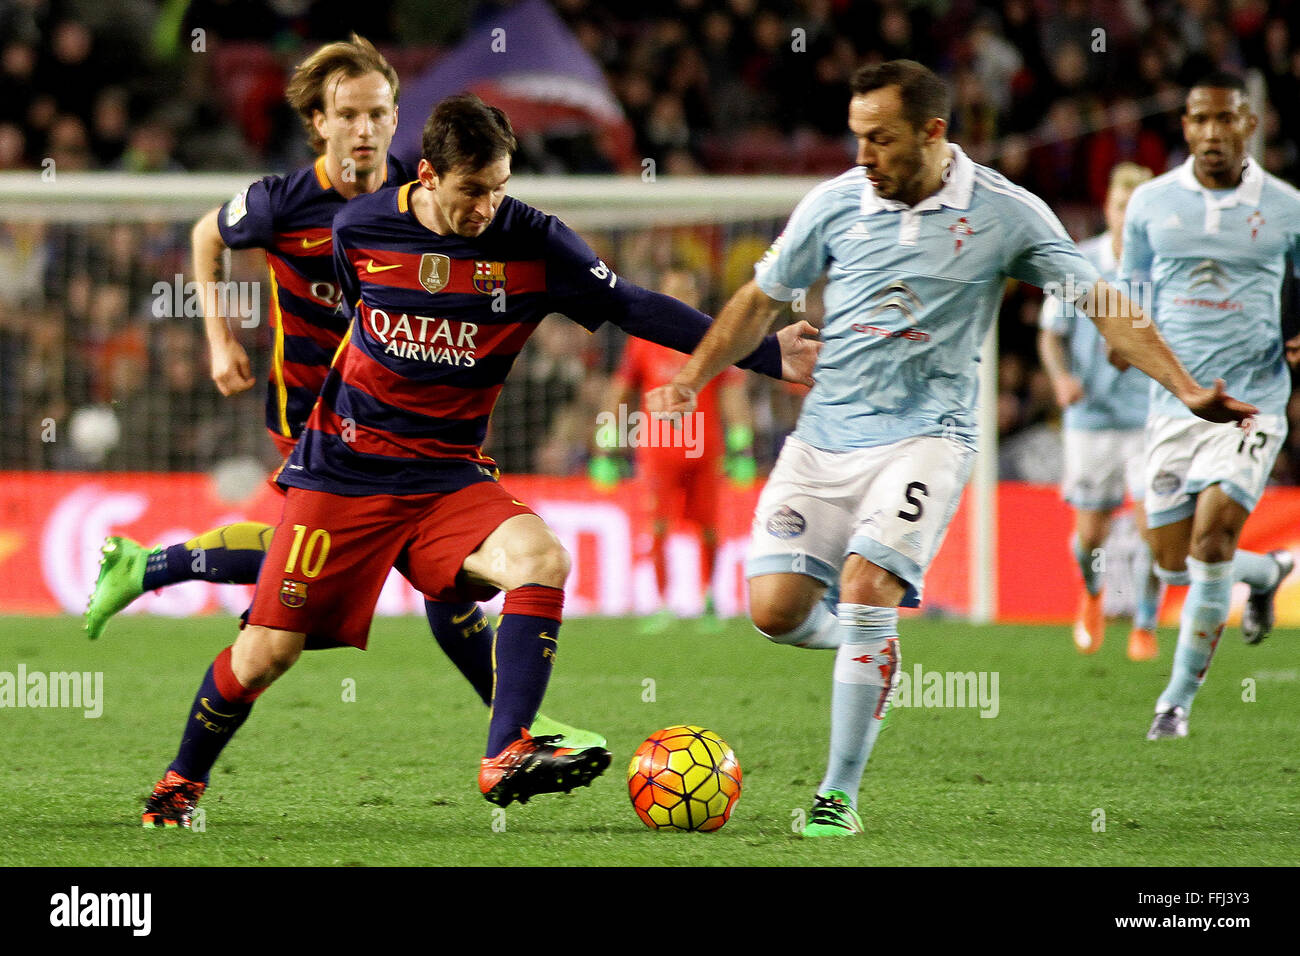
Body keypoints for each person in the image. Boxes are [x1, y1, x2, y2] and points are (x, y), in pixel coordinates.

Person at [139, 92, 820, 827]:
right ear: (427, 175)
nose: (487, 207)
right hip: (343, 472)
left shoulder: (535, 242)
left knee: (543, 560)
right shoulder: (360, 225)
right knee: (266, 654)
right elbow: (353, 315)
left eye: (499, 187)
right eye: (471, 191)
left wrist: (762, 352)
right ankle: (179, 785)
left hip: (446, 475)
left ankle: (507, 751)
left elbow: (635, 306)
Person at [647, 59, 1252, 837]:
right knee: (773, 611)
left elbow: (1104, 304)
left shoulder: (1007, 213)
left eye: (881, 139)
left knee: (867, 590)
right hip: (825, 438)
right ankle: (873, 655)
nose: (863, 155)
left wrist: (1187, 385)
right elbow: (758, 300)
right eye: (858, 137)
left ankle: (837, 795)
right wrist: (692, 379)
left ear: (934, 133)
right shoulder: (835, 204)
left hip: (928, 439)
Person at [84, 34, 602, 756]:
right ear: (319, 124)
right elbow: (207, 233)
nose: (365, 129)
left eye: (379, 113)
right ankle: (517, 729)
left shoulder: (421, 198)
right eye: (349, 114)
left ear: (398, 121)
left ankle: (515, 730)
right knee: (371, 569)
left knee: (407, 571)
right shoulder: (282, 201)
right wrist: (218, 337)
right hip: (315, 421)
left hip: (402, 418)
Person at [1119, 72, 1300, 741]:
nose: (1212, 133)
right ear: (1186, 126)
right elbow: (1126, 287)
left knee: (1213, 537)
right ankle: (1268, 573)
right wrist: (1116, 336)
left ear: (1248, 125)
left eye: (1226, 120)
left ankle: (1175, 703)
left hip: (1254, 399)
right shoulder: (1150, 203)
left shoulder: (1286, 206)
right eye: (1199, 120)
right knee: (1174, 562)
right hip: (1174, 405)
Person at [1038, 162, 1163, 661]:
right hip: (1090, 419)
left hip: (1149, 420)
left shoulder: (1161, 271)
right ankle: (1092, 593)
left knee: (1157, 526)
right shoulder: (1079, 266)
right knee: (1091, 535)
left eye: (1136, 209)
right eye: (1119, 206)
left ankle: (1146, 624)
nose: (1125, 216)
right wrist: (1061, 378)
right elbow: (1051, 335)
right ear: (1107, 208)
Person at [591, 268, 755, 632]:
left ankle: (710, 598)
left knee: (710, 529)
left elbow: (732, 395)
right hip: (657, 452)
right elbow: (619, 393)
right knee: (657, 527)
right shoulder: (642, 342)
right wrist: (605, 447)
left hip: (706, 453)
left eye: (686, 292)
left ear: (697, 298)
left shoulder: (715, 339)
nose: (679, 299)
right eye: (671, 293)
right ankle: (663, 603)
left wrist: (741, 447)